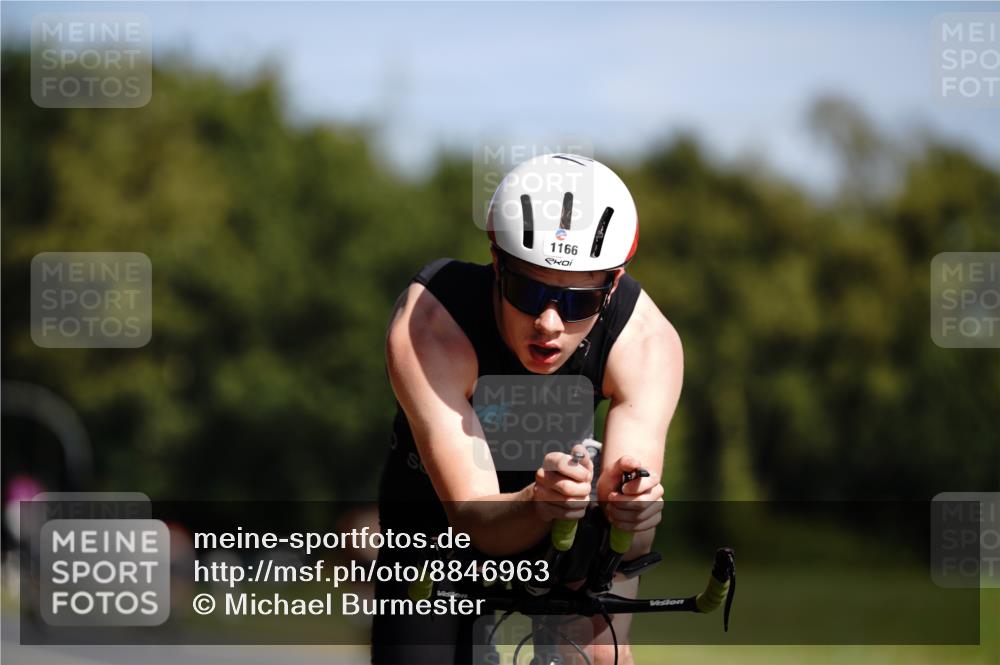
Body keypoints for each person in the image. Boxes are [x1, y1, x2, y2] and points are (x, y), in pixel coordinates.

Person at [372, 153, 683, 665]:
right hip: (440, 512)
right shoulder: (431, 325)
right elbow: (475, 516)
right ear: (497, 263)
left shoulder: (646, 342)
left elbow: (631, 532)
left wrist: (635, 508)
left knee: (601, 655)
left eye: (579, 301)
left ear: (613, 284)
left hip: (569, 512)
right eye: (528, 290)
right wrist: (539, 499)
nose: (549, 323)